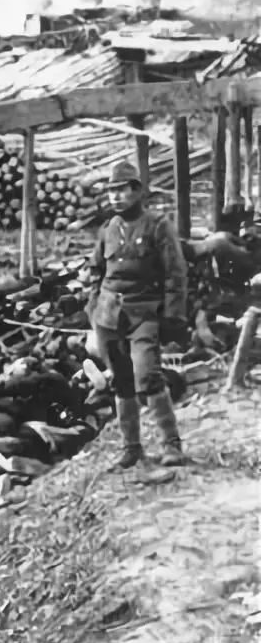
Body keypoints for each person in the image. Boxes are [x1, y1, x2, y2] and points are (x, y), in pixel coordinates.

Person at [86, 161, 188, 469]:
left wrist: (173, 317)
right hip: (109, 317)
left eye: (122, 190)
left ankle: (171, 445)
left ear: (137, 191)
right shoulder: (108, 229)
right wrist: (93, 308)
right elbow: (96, 272)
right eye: (111, 192)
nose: (116, 197)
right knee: (121, 381)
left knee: (148, 376)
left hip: (144, 314)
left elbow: (175, 273)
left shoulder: (157, 225)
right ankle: (131, 448)